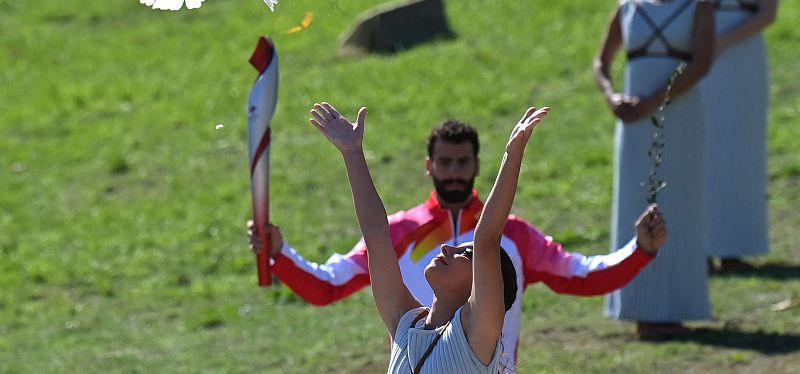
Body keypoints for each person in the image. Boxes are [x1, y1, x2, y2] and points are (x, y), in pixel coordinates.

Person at [249, 116, 667, 356]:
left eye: (462, 162)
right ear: (428, 167)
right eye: (445, 163)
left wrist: (638, 252)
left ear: (476, 166)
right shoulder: (400, 239)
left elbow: (581, 274)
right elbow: (331, 282)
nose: (453, 172)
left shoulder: (511, 234)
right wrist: (279, 254)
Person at [311, 102, 552, 372]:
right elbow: (376, 236)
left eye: (465, 253)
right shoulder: (403, 322)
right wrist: (352, 153)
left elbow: (487, 239)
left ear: (482, 281)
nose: (448, 248)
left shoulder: (478, 335)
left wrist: (513, 153)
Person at [593, 0, 715, 339]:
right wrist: (612, 98)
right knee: (635, 200)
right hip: (633, 122)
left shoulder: (699, 5)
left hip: (680, 117)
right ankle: (641, 307)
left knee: (679, 203)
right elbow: (601, 62)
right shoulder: (628, 5)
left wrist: (652, 101)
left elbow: (701, 63)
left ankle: (676, 306)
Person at [680, 0, 778, 273]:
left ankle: (736, 245)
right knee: (706, 150)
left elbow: (767, 12)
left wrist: (722, 39)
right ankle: (701, 244)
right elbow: (681, 13)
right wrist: (706, 46)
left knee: (741, 153)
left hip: (745, 63)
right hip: (705, 67)